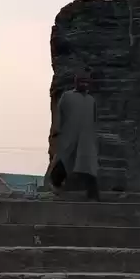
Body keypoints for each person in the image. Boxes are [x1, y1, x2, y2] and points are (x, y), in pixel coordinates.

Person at [47, 73, 100, 201]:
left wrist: (93, 136)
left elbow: (94, 119)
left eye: (86, 82)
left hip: (86, 137)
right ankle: (55, 183)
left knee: (89, 164)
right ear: (75, 83)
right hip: (69, 135)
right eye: (81, 81)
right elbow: (59, 114)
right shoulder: (67, 96)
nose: (84, 84)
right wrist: (57, 130)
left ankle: (93, 194)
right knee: (65, 160)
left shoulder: (91, 100)